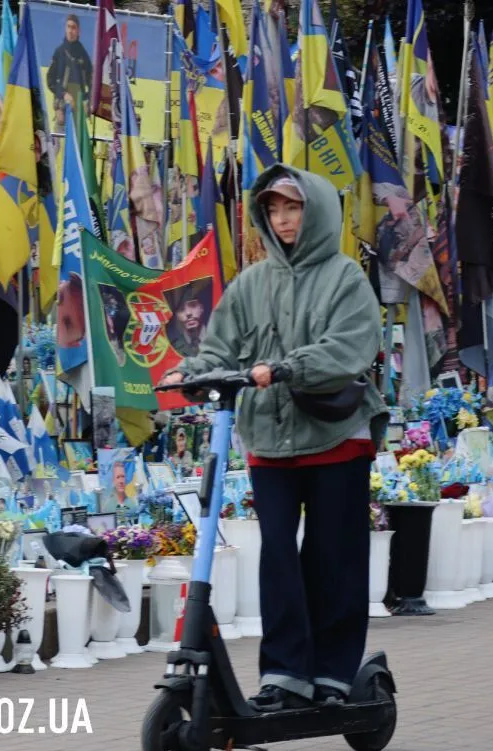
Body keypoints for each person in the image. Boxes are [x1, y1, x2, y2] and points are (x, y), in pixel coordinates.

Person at [160, 166, 387, 711]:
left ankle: (333, 674)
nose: (283, 220)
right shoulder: (250, 285)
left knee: (335, 555)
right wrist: (192, 373)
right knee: (278, 557)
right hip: (270, 437)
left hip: (335, 434)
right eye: (274, 210)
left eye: (294, 208)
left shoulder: (345, 278)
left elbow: (350, 346)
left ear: (315, 213)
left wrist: (288, 368)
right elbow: (221, 348)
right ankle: (286, 673)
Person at [46, 14, 92, 133]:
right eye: (68, 27)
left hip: (79, 109)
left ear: (78, 31)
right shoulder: (59, 52)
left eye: (73, 27)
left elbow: (91, 82)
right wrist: (63, 94)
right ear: (65, 29)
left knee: (78, 148)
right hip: (62, 108)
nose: (70, 31)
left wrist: (89, 101)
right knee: (60, 146)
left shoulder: (83, 54)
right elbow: (50, 81)